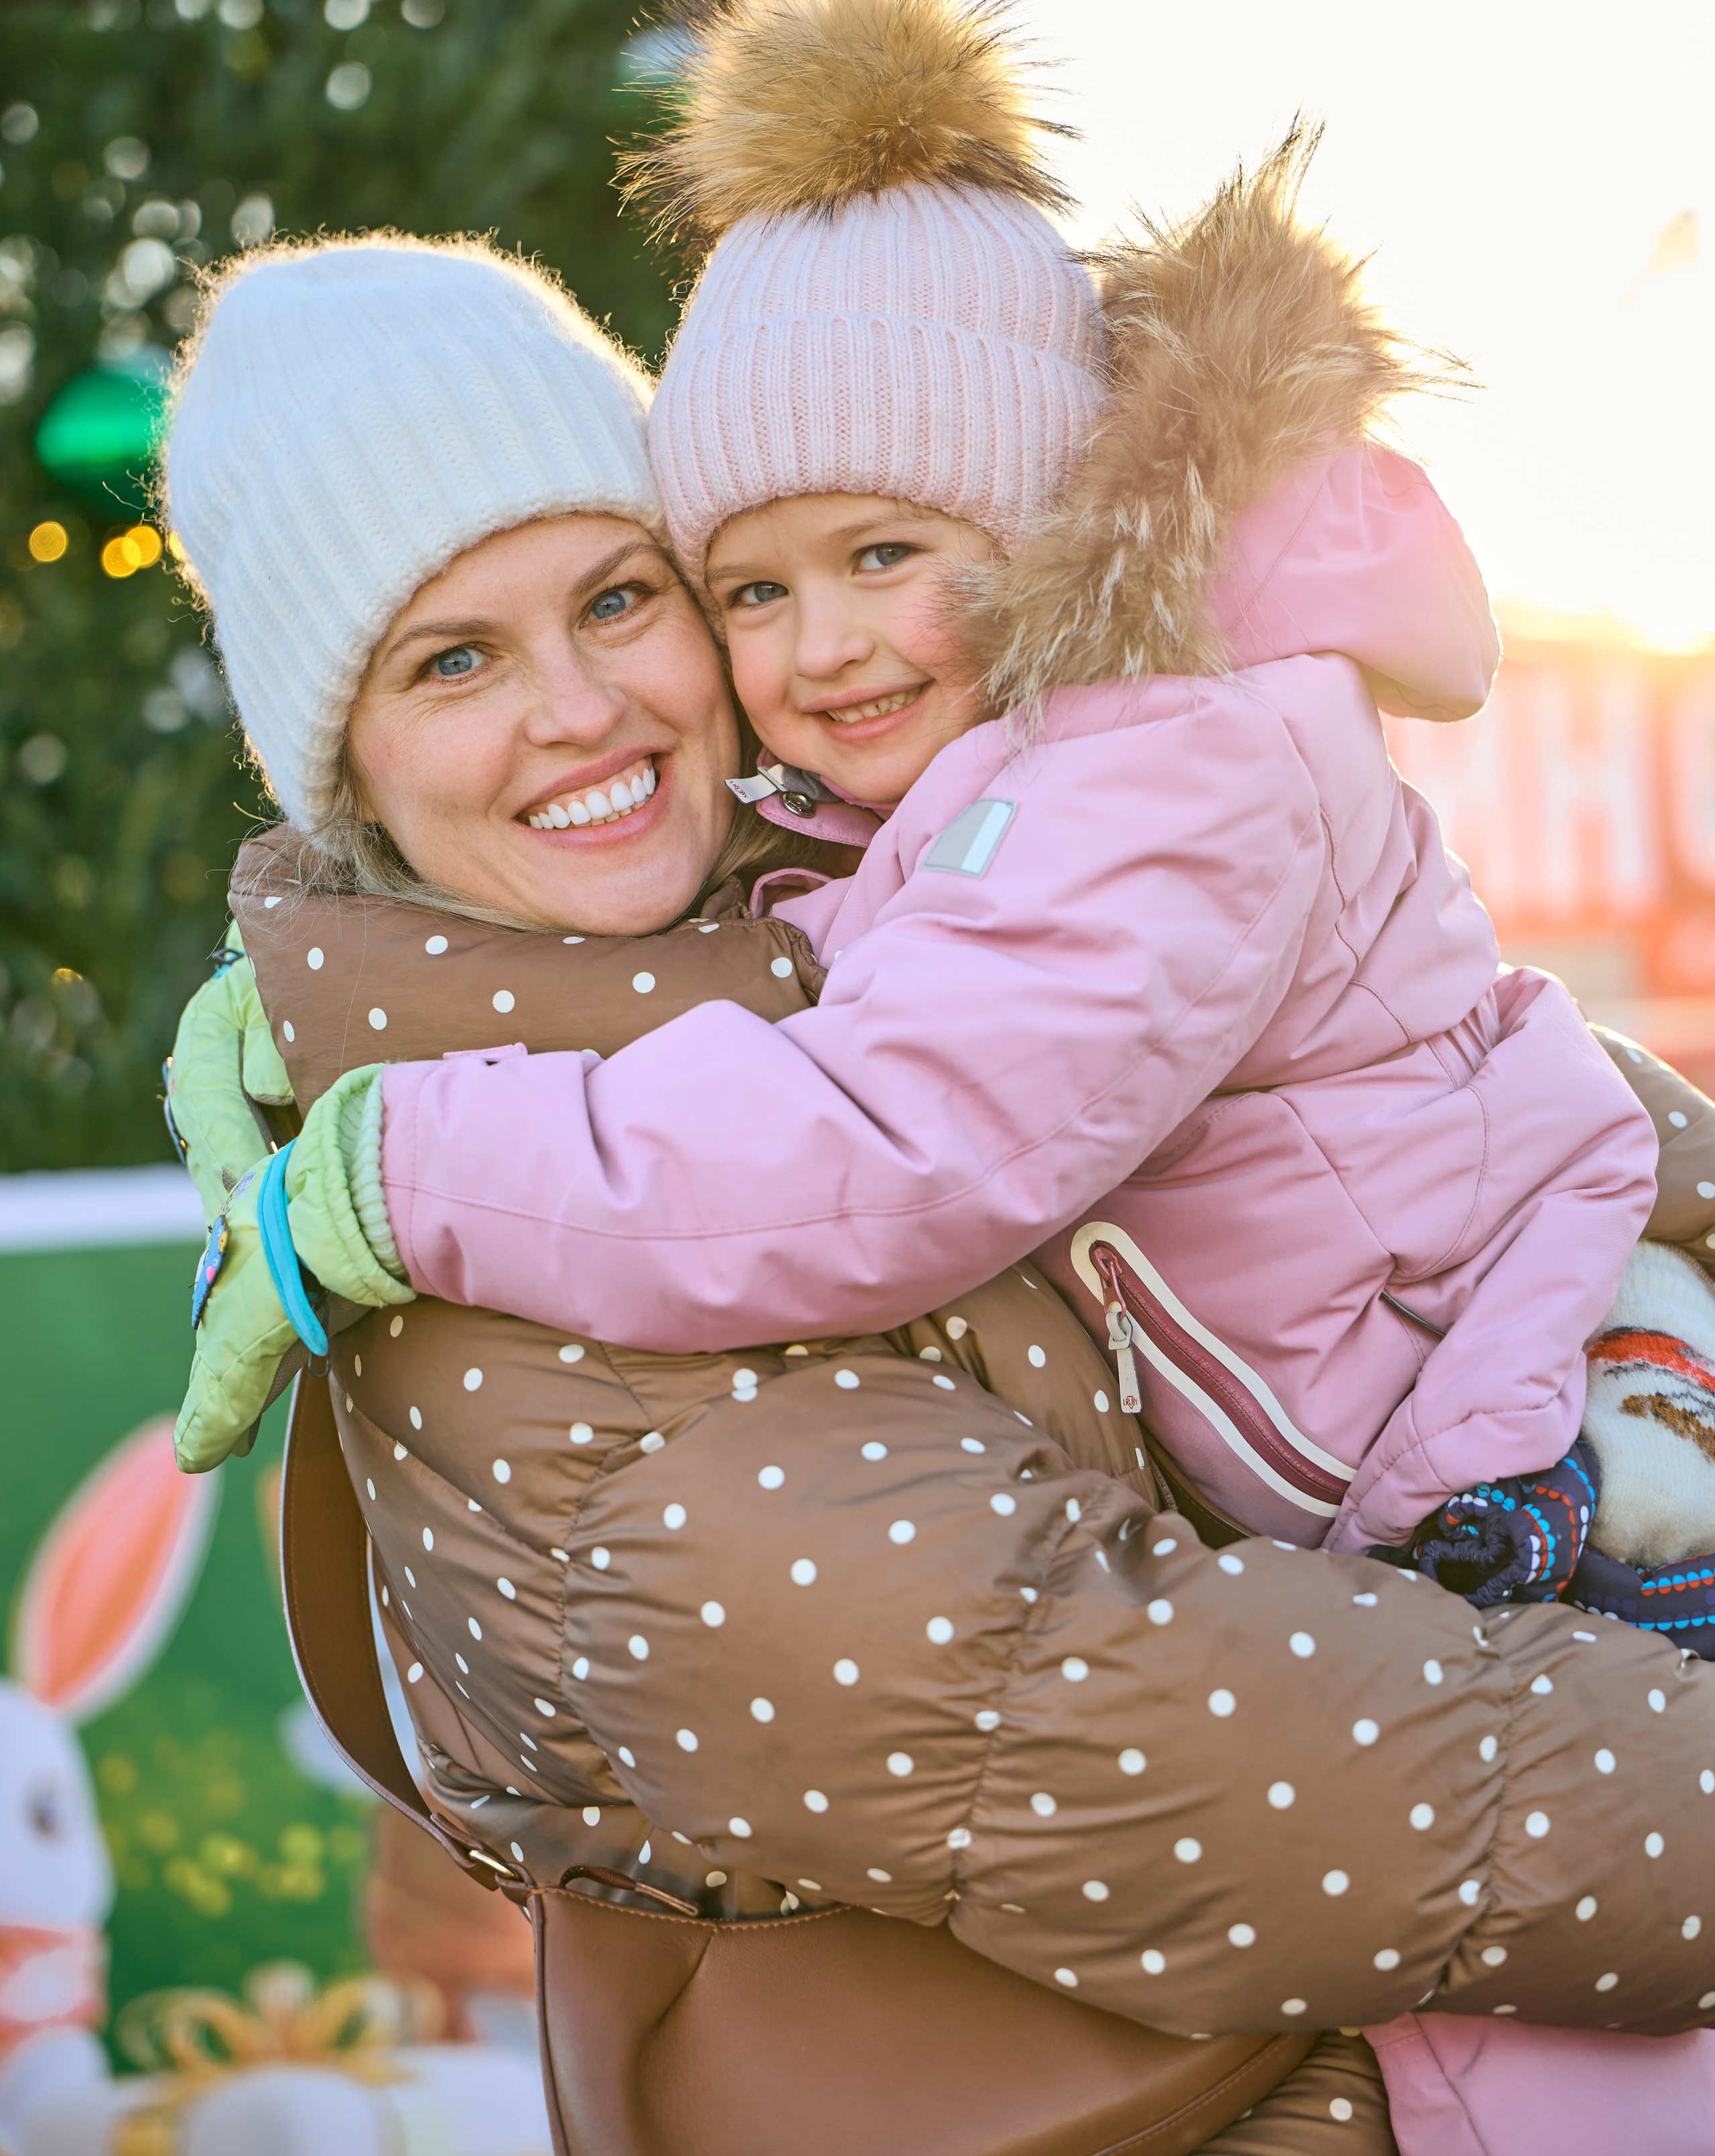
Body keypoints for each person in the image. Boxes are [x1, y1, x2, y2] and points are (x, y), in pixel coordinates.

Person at [161, 218, 1715, 2153]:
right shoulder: (505, 1246)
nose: (582, 708)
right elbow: (1145, 1741)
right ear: (349, 773)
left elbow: (1374, 1081)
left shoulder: (831, 899)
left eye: (625, 598)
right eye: (454, 657)